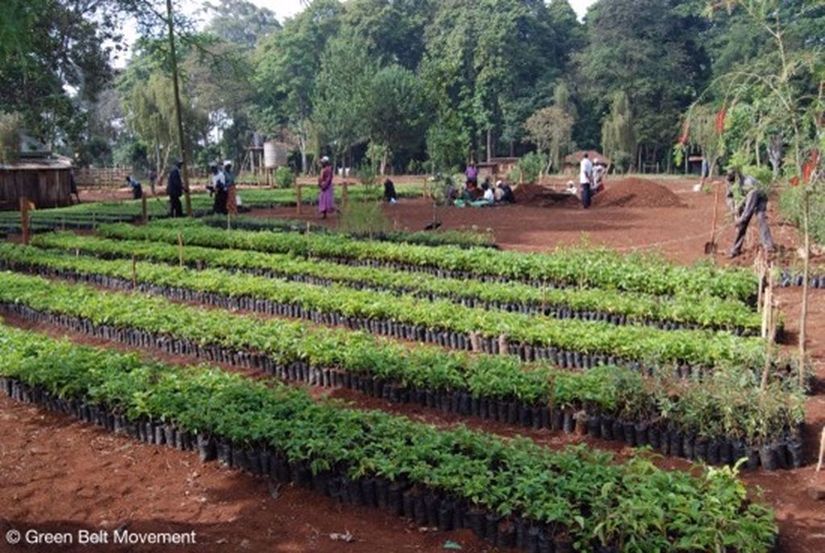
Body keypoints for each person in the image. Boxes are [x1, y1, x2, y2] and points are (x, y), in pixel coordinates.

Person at [728, 171, 775, 258]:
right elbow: (729, 197)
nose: (732, 184)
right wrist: (733, 208)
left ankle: (768, 246)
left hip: (760, 198)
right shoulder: (731, 183)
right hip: (745, 199)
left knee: (760, 218)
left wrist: (740, 220)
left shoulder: (749, 184)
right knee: (741, 224)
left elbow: (748, 209)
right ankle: (735, 249)